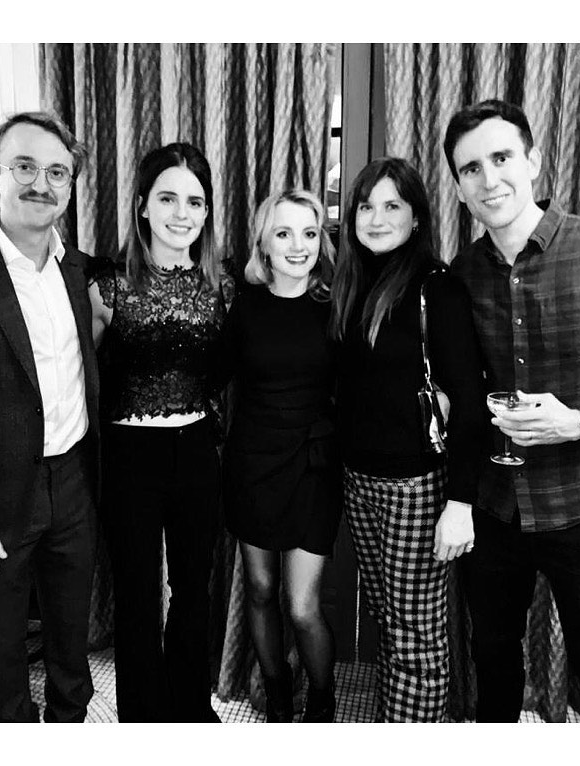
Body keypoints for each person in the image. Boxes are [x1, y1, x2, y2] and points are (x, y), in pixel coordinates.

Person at [444, 99, 580, 722]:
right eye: (471, 169)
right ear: (458, 188)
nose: (489, 179)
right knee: (492, 667)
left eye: (501, 158)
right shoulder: (461, 274)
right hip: (497, 507)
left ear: (534, 161)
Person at [0, 112, 100, 722]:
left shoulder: (77, 268)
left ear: (70, 186)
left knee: (71, 645)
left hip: (74, 484)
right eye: (24, 166)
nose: (41, 183)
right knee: (2, 659)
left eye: (57, 172)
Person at [329, 158, 487, 722]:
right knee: (388, 619)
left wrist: (460, 503)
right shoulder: (351, 283)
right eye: (366, 206)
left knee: (415, 634)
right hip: (359, 480)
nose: (376, 218)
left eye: (392, 205)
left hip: (415, 488)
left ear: (416, 217)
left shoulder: (436, 288)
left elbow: (470, 402)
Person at [89, 143, 234, 722]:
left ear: (208, 212)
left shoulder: (224, 285)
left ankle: (190, 710)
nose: (182, 213)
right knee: (136, 594)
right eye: (168, 198)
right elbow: (74, 378)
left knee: (194, 589)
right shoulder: (107, 286)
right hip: (130, 456)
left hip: (197, 450)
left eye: (195, 202)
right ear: (143, 206)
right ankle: (143, 721)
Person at [220, 190, 341, 723]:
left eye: (309, 233)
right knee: (261, 589)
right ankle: (276, 695)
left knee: (302, 605)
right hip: (253, 463)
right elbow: (211, 376)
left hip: (313, 467)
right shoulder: (244, 305)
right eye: (284, 233)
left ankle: (321, 701)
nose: (298, 246)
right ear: (264, 244)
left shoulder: (335, 305)